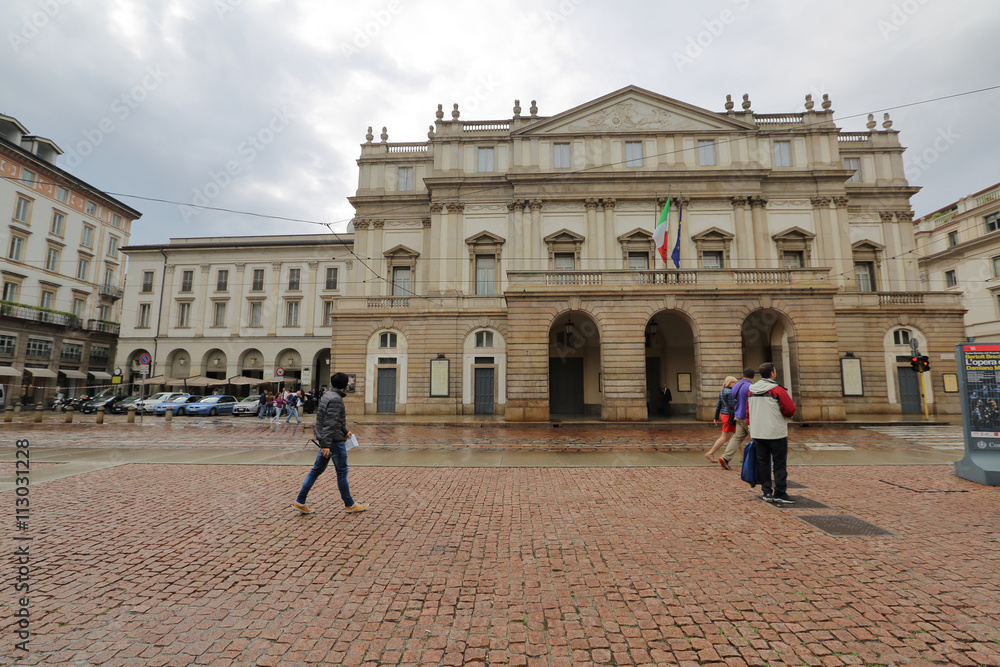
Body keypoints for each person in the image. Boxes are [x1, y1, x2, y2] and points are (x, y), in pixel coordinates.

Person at [293, 372, 368, 514]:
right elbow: (329, 423)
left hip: (328, 439)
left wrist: (345, 431)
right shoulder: (336, 399)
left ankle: (300, 501)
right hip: (334, 441)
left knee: (316, 471)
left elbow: (331, 419)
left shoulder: (327, 395)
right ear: (345, 385)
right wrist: (326, 445)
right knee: (342, 472)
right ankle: (350, 504)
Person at [748, 362, 797, 504]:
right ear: (772, 373)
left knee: (763, 463)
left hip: (758, 432)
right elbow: (790, 408)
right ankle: (780, 492)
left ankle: (766, 491)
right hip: (776, 433)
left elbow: (747, 411)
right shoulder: (777, 390)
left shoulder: (751, 390)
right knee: (779, 463)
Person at [719, 368, 756, 470]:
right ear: (753, 376)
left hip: (737, 415)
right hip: (747, 417)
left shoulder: (736, 386)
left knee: (737, 437)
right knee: (757, 438)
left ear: (743, 375)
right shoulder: (751, 386)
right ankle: (757, 462)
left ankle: (725, 458)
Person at [705, 376, 738, 462]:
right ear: (730, 382)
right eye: (734, 382)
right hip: (729, 416)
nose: (736, 384)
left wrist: (716, 417)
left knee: (737, 435)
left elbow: (718, 406)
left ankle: (743, 457)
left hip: (724, 415)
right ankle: (710, 453)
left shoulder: (722, 391)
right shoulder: (731, 392)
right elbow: (732, 406)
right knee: (725, 437)